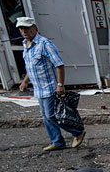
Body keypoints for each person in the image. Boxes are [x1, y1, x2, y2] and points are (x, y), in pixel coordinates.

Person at [16, 16, 85, 152]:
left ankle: (78, 132)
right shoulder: (26, 44)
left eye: (27, 28)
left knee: (51, 116)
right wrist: (24, 82)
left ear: (35, 28)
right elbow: (30, 67)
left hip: (49, 87)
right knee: (46, 117)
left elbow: (59, 65)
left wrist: (60, 84)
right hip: (38, 89)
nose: (24, 31)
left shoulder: (45, 44)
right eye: (21, 28)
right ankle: (58, 142)